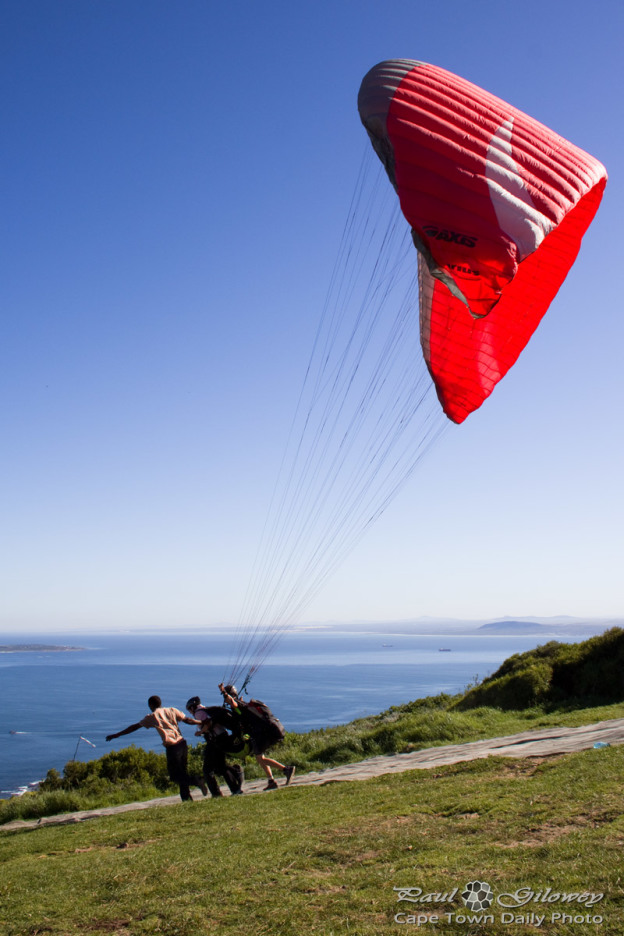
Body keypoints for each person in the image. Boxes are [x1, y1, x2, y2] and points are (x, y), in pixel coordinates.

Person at [105, 695, 208, 802]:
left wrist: (117, 735)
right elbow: (187, 720)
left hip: (173, 747)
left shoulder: (153, 716)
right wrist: (201, 722)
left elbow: (135, 727)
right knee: (182, 773)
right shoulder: (171, 710)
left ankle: (198, 781)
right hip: (182, 744)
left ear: (151, 705)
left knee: (175, 776)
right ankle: (186, 799)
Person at [219, 684, 295, 791]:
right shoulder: (242, 703)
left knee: (260, 758)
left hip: (260, 735)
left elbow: (232, 702)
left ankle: (286, 769)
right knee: (261, 758)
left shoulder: (238, 705)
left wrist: (223, 692)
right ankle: (271, 781)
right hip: (259, 734)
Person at [186, 696, 244, 797]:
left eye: (189, 709)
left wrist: (200, 731)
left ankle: (216, 793)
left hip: (215, 740)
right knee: (221, 767)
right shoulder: (205, 709)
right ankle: (235, 786)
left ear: (192, 707)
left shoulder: (198, 712)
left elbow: (208, 723)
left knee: (207, 769)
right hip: (222, 737)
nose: (190, 712)